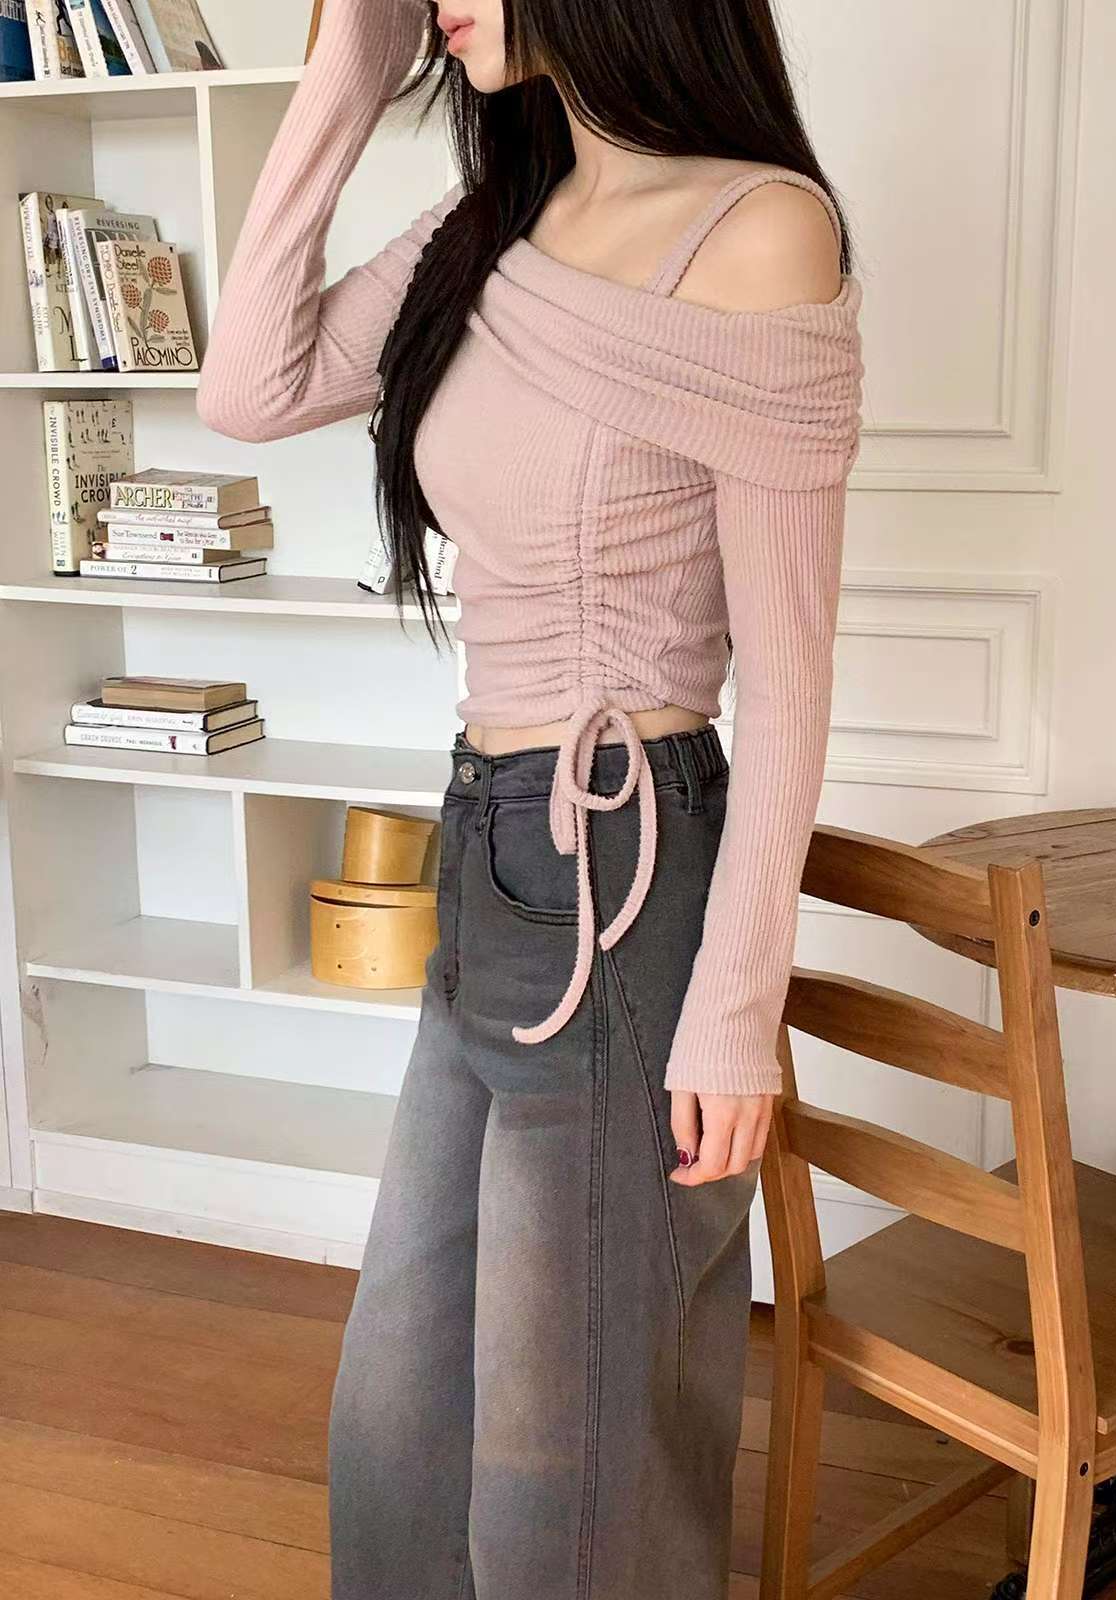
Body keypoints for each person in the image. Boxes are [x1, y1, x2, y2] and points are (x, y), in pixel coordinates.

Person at [197, 2, 863, 1595]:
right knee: (401, 1423)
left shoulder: (756, 230)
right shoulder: (496, 216)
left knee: (564, 1476)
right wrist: (348, 72)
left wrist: (736, 1014)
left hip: (629, 868)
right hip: (488, 849)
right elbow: (248, 386)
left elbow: (791, 678)